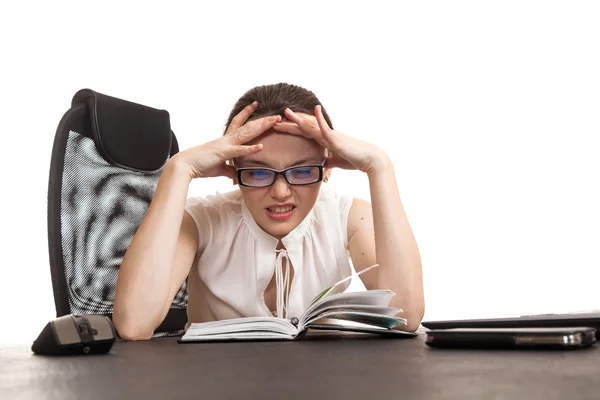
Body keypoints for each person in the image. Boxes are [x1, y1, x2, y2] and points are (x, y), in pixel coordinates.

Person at [113, 83, 424, 340]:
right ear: (233, 169)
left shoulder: (349, 217)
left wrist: (379, 166)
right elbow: (133, 325)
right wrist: (179, 169)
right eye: (259, 173)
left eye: (302, 172)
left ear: (327, 167)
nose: (280, 192)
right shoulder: (201, 220)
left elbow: (406, 316)